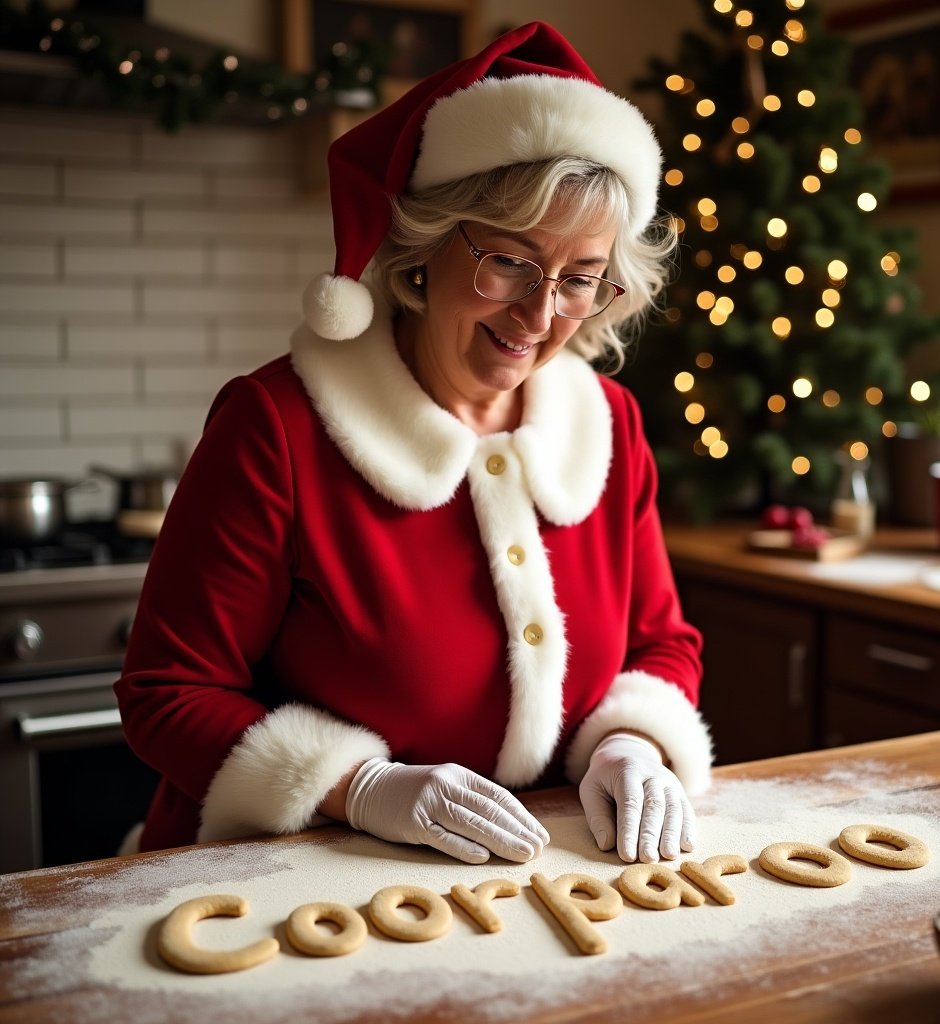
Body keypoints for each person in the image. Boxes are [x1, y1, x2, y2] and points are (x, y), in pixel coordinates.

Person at [115, 21, 712, 868]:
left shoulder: (607, 423)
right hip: (286, 882)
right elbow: (165, 694)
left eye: (580, 279)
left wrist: (632, 744)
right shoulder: (276, 426)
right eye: (508, 262)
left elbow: (661, 642)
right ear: (426, 245)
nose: (540, 317)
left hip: (530, 884)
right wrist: (354, 785)